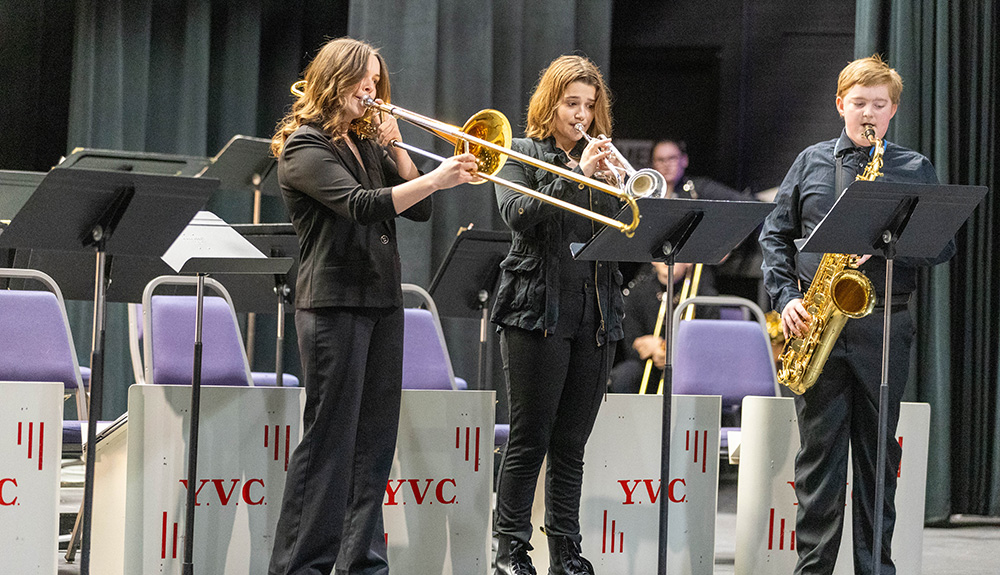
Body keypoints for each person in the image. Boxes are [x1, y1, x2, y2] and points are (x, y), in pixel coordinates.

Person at [267, 37, 479, 575]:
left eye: (376, 80)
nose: (372, 89)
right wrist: (439, 175)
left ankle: (361, 563)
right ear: (334, 80)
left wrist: (402, 149)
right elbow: (363, 207)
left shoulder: (367, 142)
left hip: (381, 301)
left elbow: (419, 213)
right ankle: (300, 566)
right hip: (333, 304)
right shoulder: (304, 147)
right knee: (329, 443)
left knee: (373, 444)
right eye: (363, 79)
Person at [758, 54, 955, 575]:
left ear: (894, 111)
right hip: (817, 320)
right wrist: (787, 298)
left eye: (880, 104)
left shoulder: (914, 168)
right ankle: (813, 569)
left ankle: (875, 568)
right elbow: (774, 237)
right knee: (819, 461)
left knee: (877, 463)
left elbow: (941, 247)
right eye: (859, 102)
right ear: (840, 103)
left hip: (885, 325)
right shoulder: (810, 161)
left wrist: (890, 244)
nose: (869, 112)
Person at [490, 54, 624, 575]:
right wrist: (572, 174)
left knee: (572, 444)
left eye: (590, 106)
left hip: (594, 316)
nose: (582, 116)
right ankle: (510, 549)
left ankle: (565, 549)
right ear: (551, 103)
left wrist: (611, 186)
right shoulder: (520, 152)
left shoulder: (601, 160)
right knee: (530, 438)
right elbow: (518, 214)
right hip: (534, 313)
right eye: (572, 104)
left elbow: (624, 233)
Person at [609, 261, 718, 394]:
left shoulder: (704, 295)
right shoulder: (638, 292)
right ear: (653, 260)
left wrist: (665, 348)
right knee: (625, 374)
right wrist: (650, 349)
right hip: (649, 364)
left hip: (689, 365)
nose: (668, 261)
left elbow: (709, 344)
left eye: (676, 256)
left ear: (689, 262)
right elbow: (631, 342)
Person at [649, 139, 746, 201]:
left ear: (684, 160)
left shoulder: (700, 187)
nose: (666, 165)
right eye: (660, 160)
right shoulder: (647, 194)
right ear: (653, 164)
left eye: (672, 158)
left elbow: (743, 201)